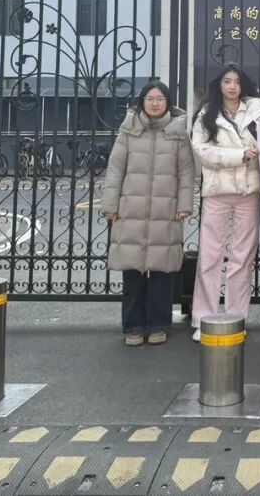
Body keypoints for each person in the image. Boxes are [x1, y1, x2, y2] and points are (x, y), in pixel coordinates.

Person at [101, 80, 194, 346]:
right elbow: (115, 169)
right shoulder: (128, 130)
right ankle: (133, 326)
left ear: (167, 103)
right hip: (131, 209)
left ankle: (157, 324)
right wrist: (110, 206)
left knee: (162, 273)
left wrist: (184, 204)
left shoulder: (177, 133)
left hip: (166, 210)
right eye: (150, 99)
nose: (155, 103)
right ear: (142, 102)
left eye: (160, 99)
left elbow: (187, 171)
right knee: (132, 272)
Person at [190, 63, 260, 342]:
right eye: (227, 81)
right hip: (218, 192)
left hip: (250, 192)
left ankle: (237, 317)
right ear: (219, 85)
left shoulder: (258, 110)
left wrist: (256, 151)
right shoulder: (207, 113)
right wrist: (239, 155)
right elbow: (202, 150)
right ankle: (204, 319)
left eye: (237, 81)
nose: (232, 86)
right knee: (210, 256)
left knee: (242, 258)